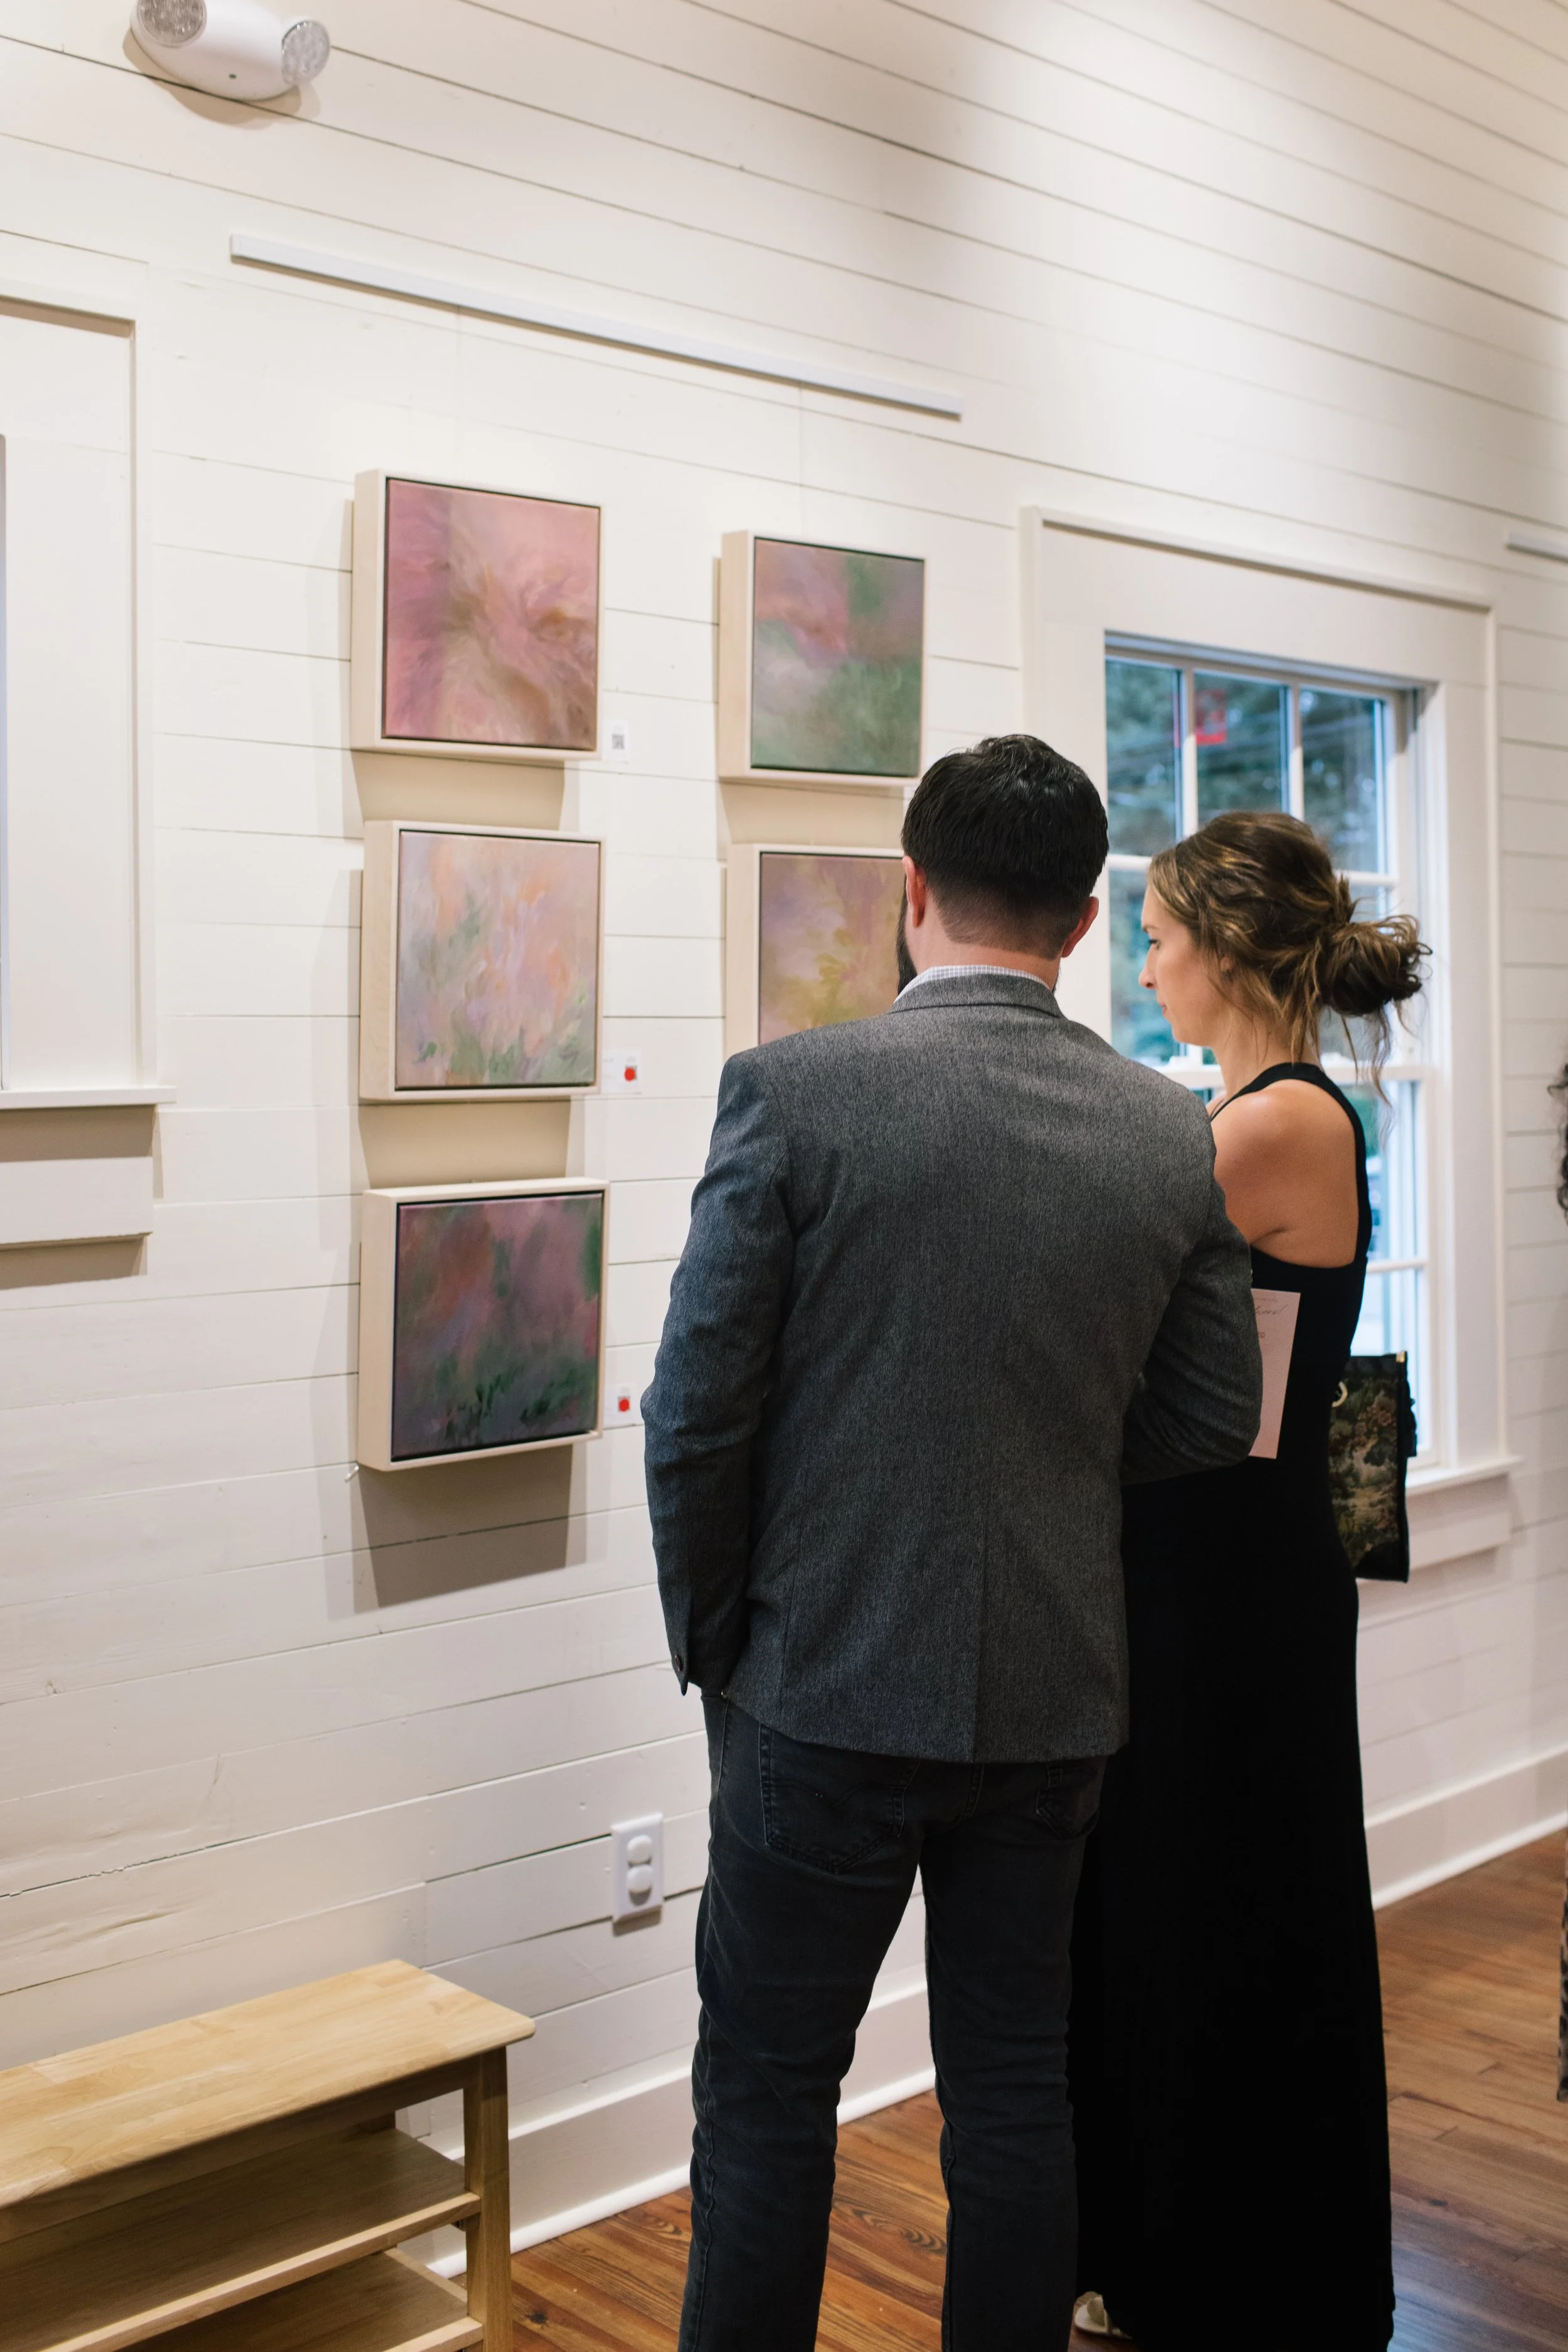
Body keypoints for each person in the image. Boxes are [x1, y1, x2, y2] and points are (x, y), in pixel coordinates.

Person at [642, 734, 1264, 2352]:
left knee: (769, 2100)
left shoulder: (793, 1092)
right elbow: (1206, 1417)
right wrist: (1044, 1471)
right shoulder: (1160, 1131)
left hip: (815, 1685)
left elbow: (697, 1413)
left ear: (908, 895)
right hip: (1053, 1691)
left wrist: (717, 1637)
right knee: (1011, 2093)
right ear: (1074, 924)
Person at [1069, 810, 1424, 2351]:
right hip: (1219, 1569)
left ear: (1219, 950)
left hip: (1221, 1586)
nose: (1142, 965)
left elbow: (1081, 1274)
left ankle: (1216, 2268)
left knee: (1209, 1906)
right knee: (1189, 1899)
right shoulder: (1258, 1110)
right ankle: (1181, 2252)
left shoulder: (1266, 1126)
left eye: (1152, 938)